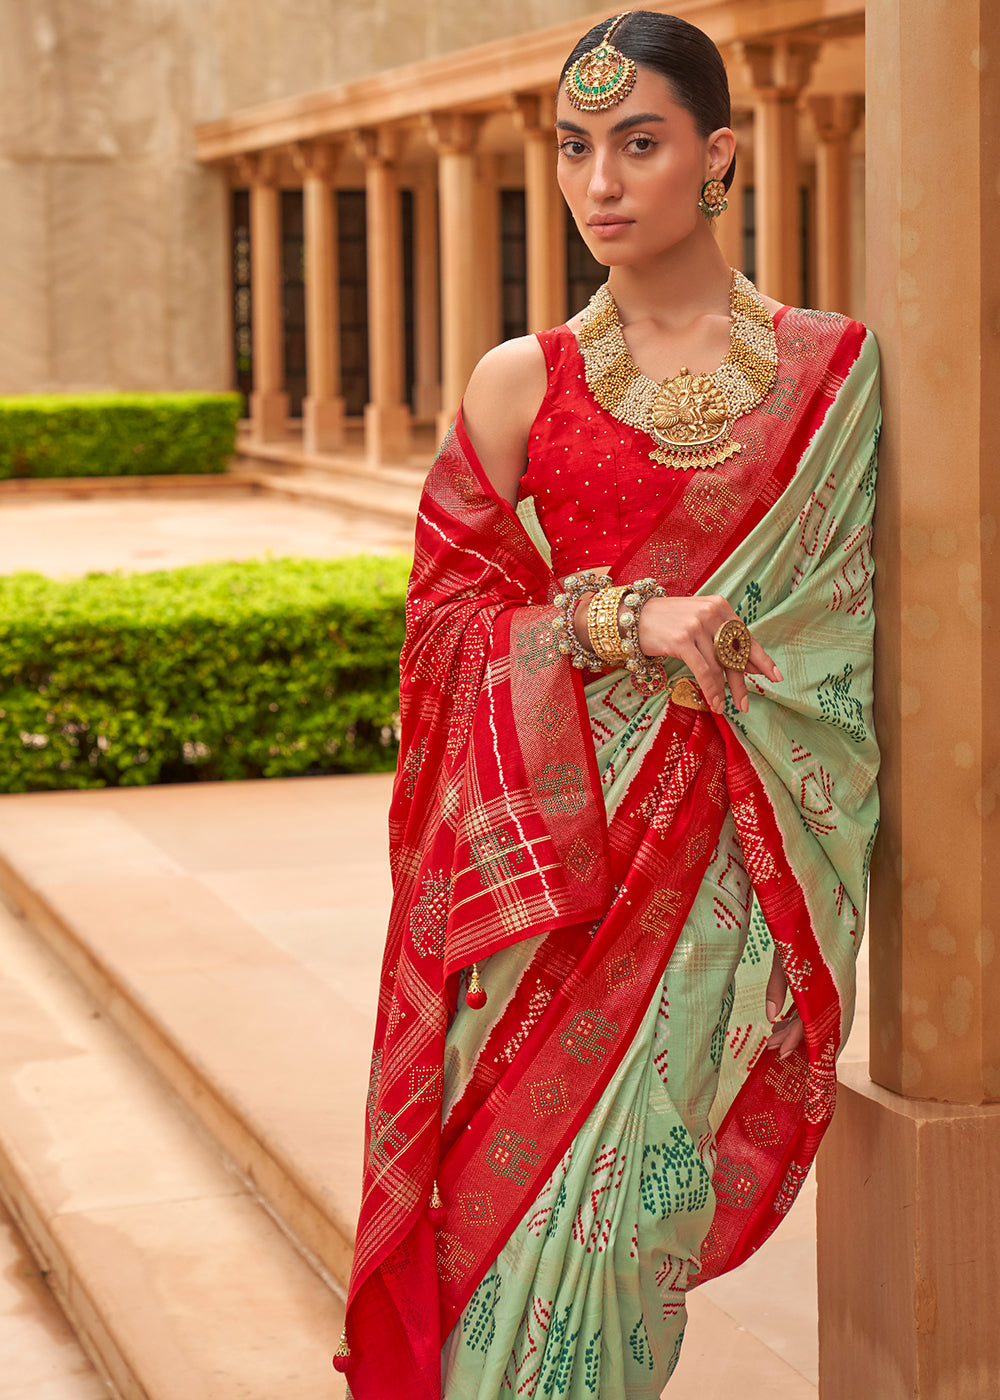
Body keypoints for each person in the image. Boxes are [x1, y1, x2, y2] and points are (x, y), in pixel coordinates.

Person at [336, 10, 880, 1397]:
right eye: (576, 149)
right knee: (497, 1244)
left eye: (638, 144)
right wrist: (623, 619)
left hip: (727, 883)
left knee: (629, 1228)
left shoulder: (837, 375)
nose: (601, 182)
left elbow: (863, 639)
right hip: (557, 907)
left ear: (718, 157)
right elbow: (448, 625)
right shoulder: (525, 382)